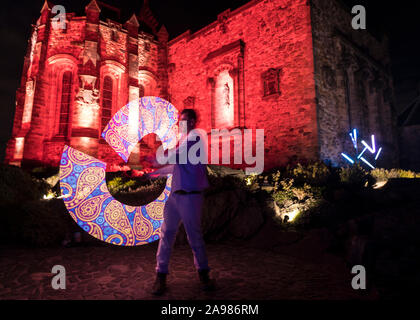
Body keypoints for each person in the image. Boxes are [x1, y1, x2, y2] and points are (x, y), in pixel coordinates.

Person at [146, 108, 216, 296]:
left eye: (183, 120)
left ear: (192, 122)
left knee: (194, 236)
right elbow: (174, 165)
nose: (179, 124)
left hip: (191, 196)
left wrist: (154, 158)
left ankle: (203, 273)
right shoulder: (184, 141)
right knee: (166, 234)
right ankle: (160, 275)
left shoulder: (196, 139)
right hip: (175, 196)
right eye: (179, 120)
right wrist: (152, 174)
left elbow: (176, 156)